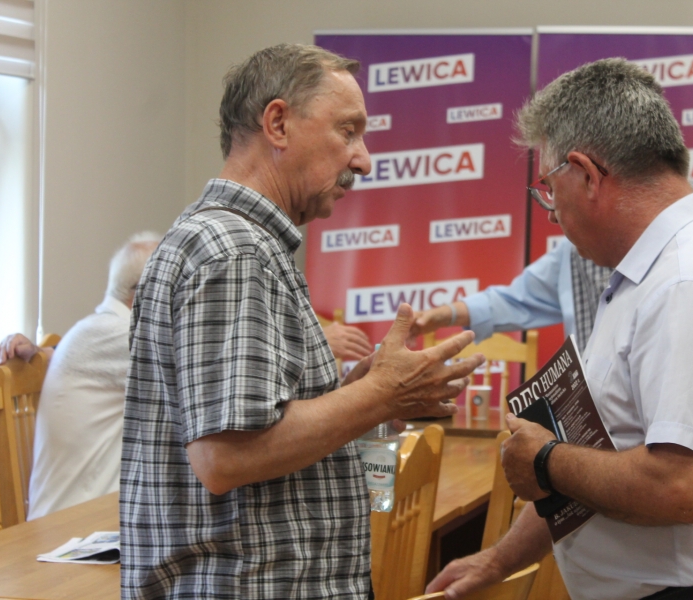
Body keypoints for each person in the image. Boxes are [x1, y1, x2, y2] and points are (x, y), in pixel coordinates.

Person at [425, 58, 693, 600]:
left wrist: (546, 460)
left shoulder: (686, 283)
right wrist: (498, 559)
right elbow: (605, 456)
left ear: (587, 174)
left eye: (549, 188)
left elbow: (680, 488)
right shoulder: (650, 273)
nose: (550, 212)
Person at [119, 43, 483, 600]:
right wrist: (379, 396)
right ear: (278, 124)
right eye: (347, 131)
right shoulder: (235, 251)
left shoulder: (239, 243)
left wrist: (361, 394)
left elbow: (259, 425)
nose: (363, 160)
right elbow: (225, 457)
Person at [0, 231, 161, 519]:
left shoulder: (99, 331)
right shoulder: (116, 334)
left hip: (87, 516)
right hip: (72, 526)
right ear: (146, 291)